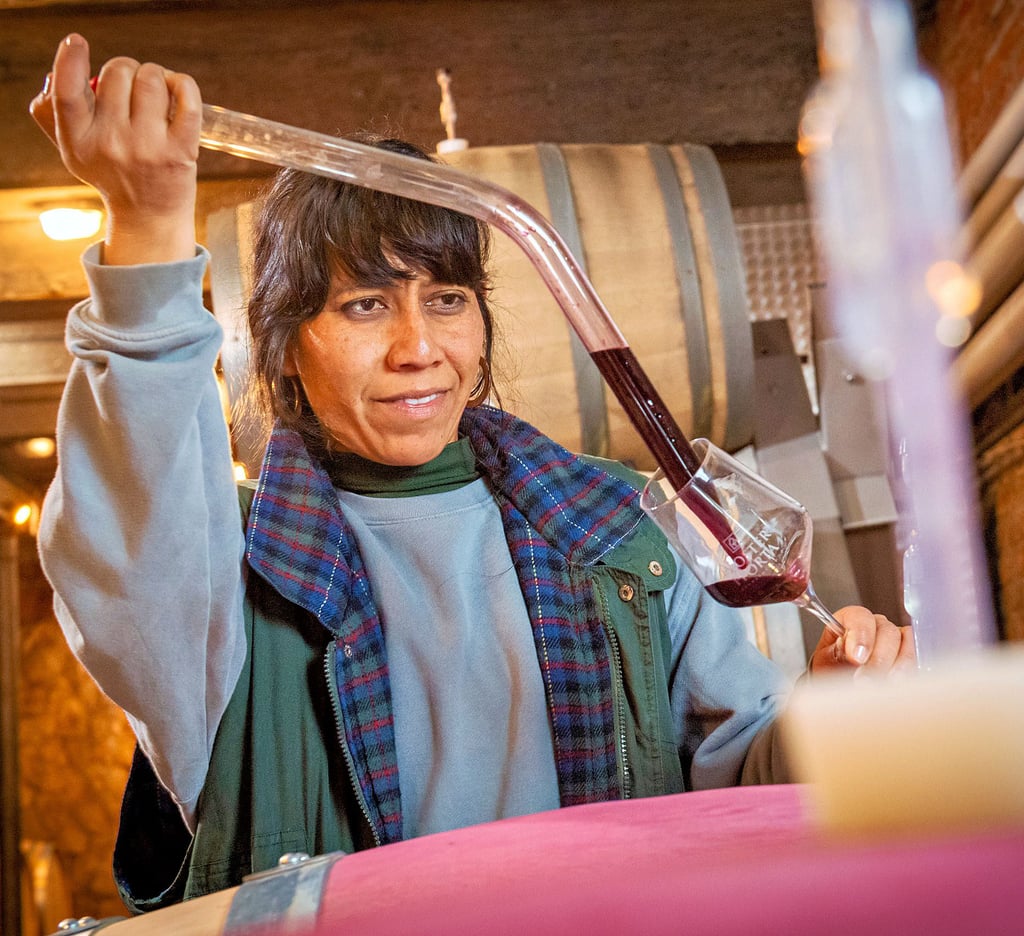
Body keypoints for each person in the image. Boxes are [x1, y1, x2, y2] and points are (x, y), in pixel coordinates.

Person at [31, 35, 915, 912]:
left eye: (446, 300)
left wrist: (829, 718)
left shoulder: (621, 536)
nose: (419, 349)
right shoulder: (219, 584)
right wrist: (147, 230)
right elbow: (128, 532)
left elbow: (742, 787)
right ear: (287, 349)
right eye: (364, 304)